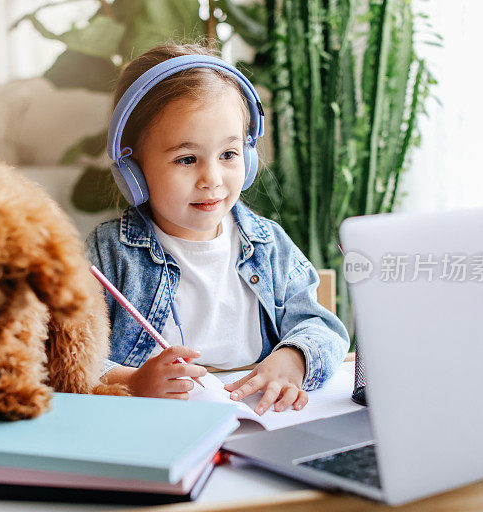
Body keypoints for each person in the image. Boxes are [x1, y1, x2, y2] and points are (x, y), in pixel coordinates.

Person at [86, 42, 350, 415]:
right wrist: (131, 381)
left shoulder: (267, 243)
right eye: (187, 159)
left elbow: (321, 326)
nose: (212, 179)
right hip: (156, 422)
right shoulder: (109, 253)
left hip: (258, 416)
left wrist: (294, 358)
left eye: (228, 154)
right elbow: (68, 354)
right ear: (133, 171)